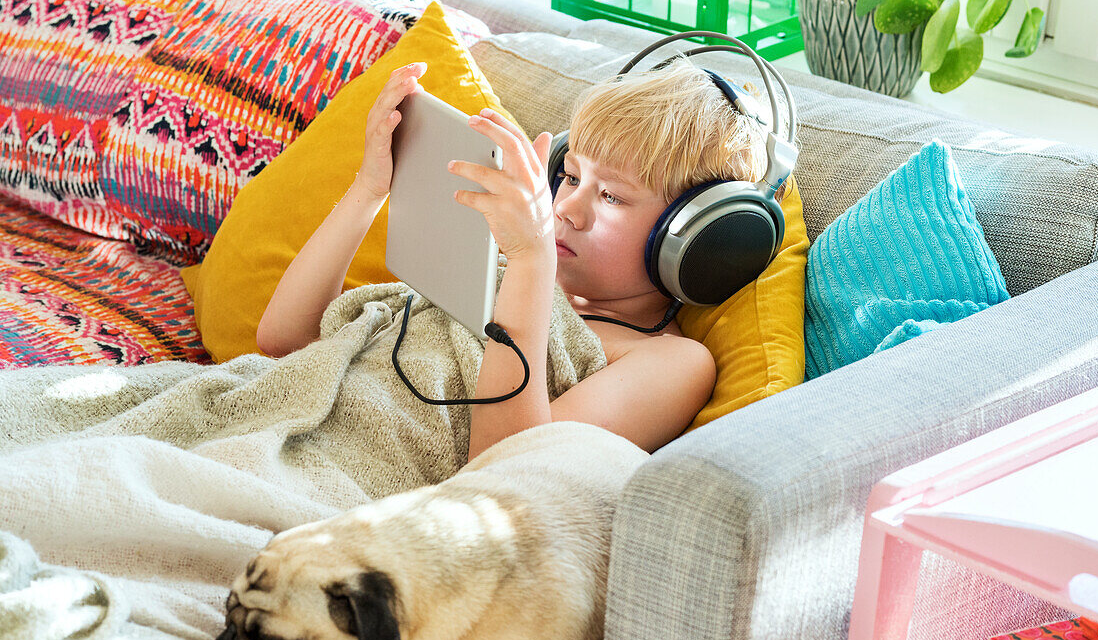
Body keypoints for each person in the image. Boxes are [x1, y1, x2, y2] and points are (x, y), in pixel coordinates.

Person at [258, 58, 779, 458]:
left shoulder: (670, 364)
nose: (566, 209)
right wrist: (370, 188)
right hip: (267, 426)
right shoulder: (493, 267)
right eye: (571, 178)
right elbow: (284, 344)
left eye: (612, 197)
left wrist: (532, 262)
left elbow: (507, 469)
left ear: (696, 237)